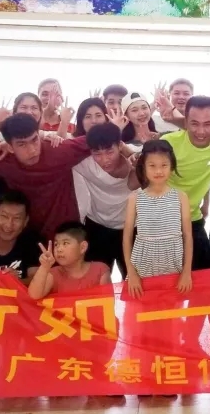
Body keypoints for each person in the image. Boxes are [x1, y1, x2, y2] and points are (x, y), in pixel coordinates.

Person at [0, 113, 92, 241]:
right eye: (22, 144)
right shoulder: (1, 157)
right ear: (10, 147)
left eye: (34, 140)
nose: (32, 150)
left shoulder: (58, 151)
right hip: (25, 234)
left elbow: (98, 137)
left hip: (66, 233)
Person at [160, 97, 210, 270]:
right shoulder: (168, 143)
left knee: (205, 272)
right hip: (162, 220)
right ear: (185, 122)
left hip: (193, 218)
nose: (201, 132)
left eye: (207, 124)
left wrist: (206, 203)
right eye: (194, 124)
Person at [122, 140, 193, 295]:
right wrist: (131, 272)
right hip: (142, 267)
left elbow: (188, 236)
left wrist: (186, 271)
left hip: (173, 265)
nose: (158, 171)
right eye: (152, 165)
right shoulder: (135, 197)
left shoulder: (181, 197)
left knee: (171, 306)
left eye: (164, 165)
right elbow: (127, 237)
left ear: (172, 166)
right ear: (144, 167)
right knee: (142, 307)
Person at [73, 122, 138, 276]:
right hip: (97, 227)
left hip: (131, 227)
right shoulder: (85, 164)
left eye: (110, 152)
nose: (104, 159)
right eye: (97, 154)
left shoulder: (136, 157)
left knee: (134, 278)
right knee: (96, 279)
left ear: (120, 146)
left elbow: (134, 184)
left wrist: (133, 159)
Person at [29, 221, 112, 298]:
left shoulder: (100, 270)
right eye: (56, 244)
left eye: (65, 243)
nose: (59, 249)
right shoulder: (54, 274)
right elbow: (34, 296)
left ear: (82, 247)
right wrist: (44, 267)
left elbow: (107, 302)